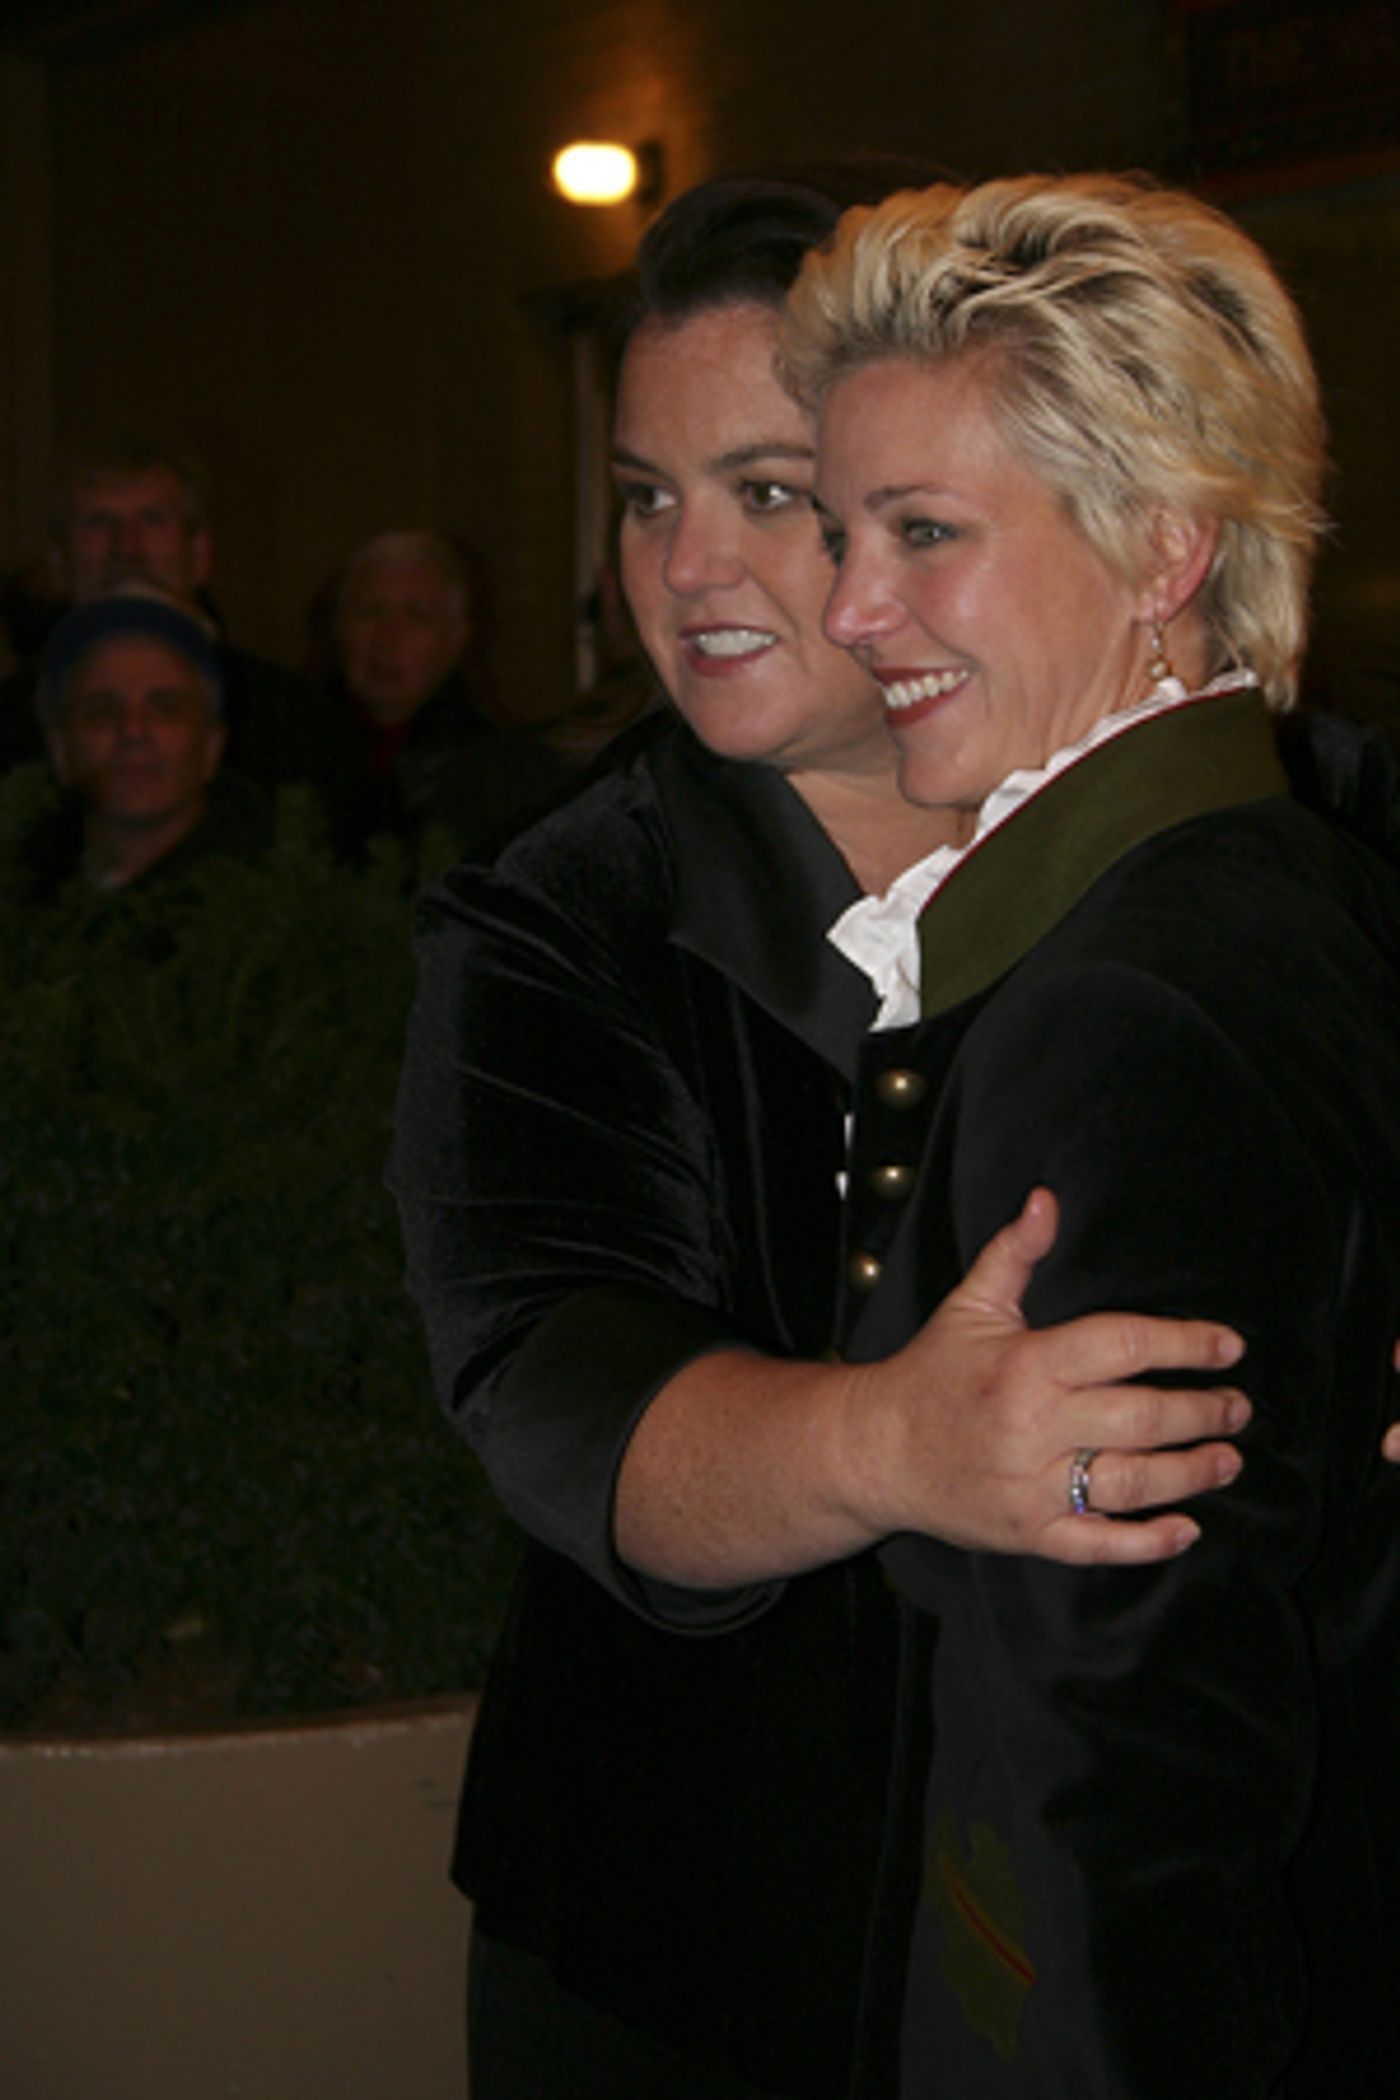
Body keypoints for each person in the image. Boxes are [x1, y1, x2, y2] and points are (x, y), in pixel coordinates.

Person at [391, 173, 1273, 2100]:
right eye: (646, 498)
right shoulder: (560, 920)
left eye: (772, 492)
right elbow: (562, 1391)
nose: (688, 568)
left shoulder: (1249, 825)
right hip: (687, 1944)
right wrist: (896, 1441)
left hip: (1136, 1938)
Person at [786, 170, 1400, 2096]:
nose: (847, 608)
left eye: (924, 532)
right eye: (841, 531)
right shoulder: (1290, 882)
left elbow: (1130, 1766)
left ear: (1163, 549)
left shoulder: (1117, 1010)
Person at [0, 442, 330, 792]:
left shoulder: (293, 718)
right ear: (59, 562)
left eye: (153, 520)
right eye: (99, 523)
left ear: (199, 553)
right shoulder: (8, 724)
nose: (127, 548)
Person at [317, 529, 568, 860]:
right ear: (339, 626)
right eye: (370, 612)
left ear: (457, 638)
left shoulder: (499, 775)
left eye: (416, 617)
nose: (386, 639)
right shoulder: (293, 745)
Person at [24, 584, 270, 896]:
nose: (133, 730)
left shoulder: (284, 905)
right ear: (60, 750)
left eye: (166, 709)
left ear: (212, 745)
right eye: (102, 711)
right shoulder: (20, 898)